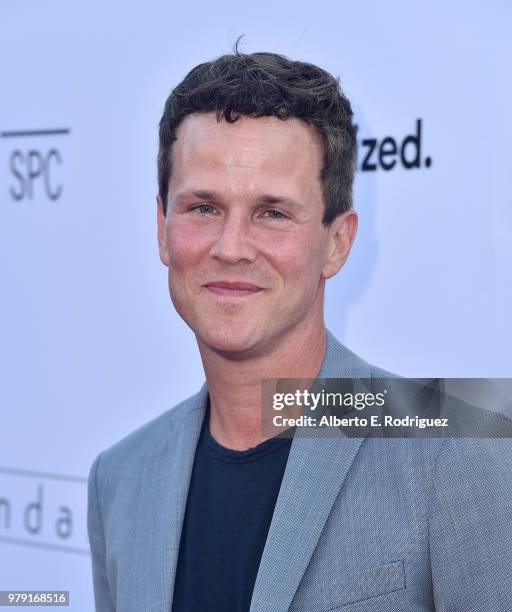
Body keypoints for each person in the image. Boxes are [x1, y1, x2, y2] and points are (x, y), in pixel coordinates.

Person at [87, 47, 512, 612]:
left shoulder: (458, 449)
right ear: (163, 229)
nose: (231, 248)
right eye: (204, 208)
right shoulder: (119, 480)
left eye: (273, 213)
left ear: (337, 242)